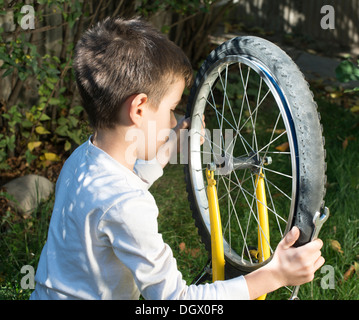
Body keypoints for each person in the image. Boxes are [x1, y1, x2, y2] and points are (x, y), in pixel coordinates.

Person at [30, 17, 324, 300]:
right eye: (171, 108)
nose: (173, 121)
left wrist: (166, 150)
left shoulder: (82, 160)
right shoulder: (127, 206)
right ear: (140, 108)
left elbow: (118, 193)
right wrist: (275, 275)